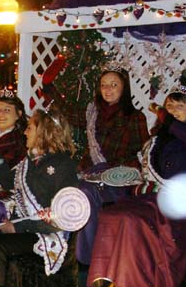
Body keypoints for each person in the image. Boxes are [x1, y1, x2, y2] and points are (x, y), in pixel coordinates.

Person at [87, 88, 186, 287]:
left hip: (180, 204)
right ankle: (105, 285)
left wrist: (168, 121)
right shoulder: (157, 140)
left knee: (131, 220)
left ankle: (133, 286)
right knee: (110, 215)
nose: (173, 110)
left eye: (179, 106)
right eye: (169, 106)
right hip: (151, 199)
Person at [42, 59, 150, 266]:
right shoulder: (93, 113)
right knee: (71, 192)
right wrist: (48, 86)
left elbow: (144, 151)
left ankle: (86, 261)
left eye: (114, 84)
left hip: (120, 179)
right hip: (93, 176)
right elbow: (66, 111)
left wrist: (120, 169)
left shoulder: (135, 117)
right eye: (104, 85)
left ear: (124, 88)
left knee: (82, 192)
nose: (108, 89)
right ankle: (60, 254)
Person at [0, 107, 79, 287]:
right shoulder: (29, 162)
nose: (25, 132)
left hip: (45, 233)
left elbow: (63, 215)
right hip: (26, 229)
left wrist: (17, 227)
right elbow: (9, 182)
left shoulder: (63, 165)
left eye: (30, 128)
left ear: (44, 132)